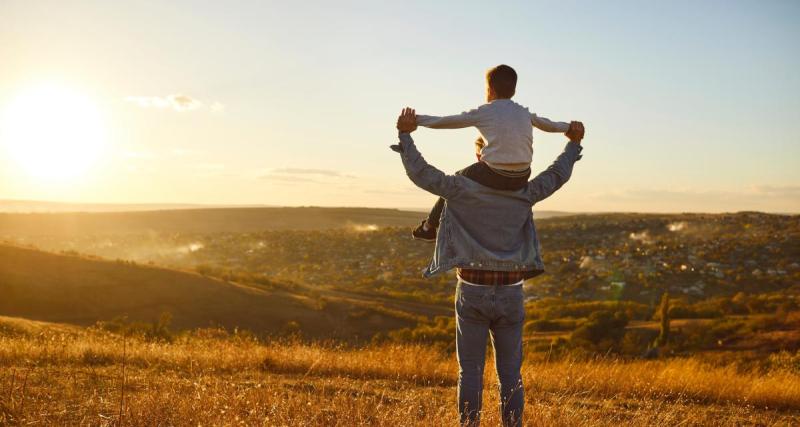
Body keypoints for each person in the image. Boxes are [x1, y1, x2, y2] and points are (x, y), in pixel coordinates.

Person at [392, 108, 585, 426]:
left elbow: (422, 173)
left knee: (470, 371)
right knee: (510, 374)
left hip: (472, 290)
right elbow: (556, 175)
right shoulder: (525, 193)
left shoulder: (460, 188)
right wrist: (572, 144)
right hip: (511, 293)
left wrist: (406, 135)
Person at [410, 64, 581, 241]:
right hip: (521, 177)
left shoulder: (485, 111)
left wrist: (417, 120)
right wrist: (569, 128)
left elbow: (447, 121)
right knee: (466, 177)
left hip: (493, 173)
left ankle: (429, 226)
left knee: (454, 183)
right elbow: (549, 125)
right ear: (514, 90)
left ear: (489, 89)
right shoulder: (524, 112)